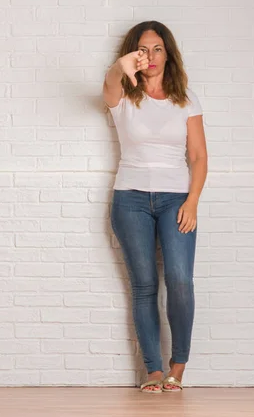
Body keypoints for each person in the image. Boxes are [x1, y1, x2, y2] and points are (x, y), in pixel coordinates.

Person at [102, 21, 208, 393]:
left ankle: (177, 366)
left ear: (169, 53)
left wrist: (192, 201)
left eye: (157, 48)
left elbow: (197, 155)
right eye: (143, 50)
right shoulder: (123, 96)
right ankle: (152, 371)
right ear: (133, 54)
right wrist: (122, 66)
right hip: (130, 200)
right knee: (144, 286)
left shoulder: (186, 98)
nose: (151, 56)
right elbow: (109, 84)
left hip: (176, 199)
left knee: (180, 281)